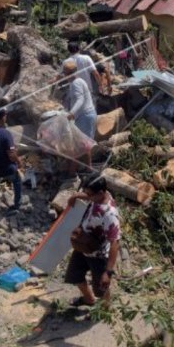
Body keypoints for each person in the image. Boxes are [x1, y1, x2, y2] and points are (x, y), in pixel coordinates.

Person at [65, 173, 121, 307]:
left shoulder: (110, 215)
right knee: (74, 276)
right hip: (82, 248)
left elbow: (115, 243)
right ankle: (89, 299)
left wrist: (108, 272)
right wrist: (77, 195)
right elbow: (90, 195)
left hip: (99, 256)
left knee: (101, 287)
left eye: (90, 195)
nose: (88, 197)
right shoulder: (98, 196)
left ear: (101, 193)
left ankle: (104, 308)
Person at [63, 60, 97, 173]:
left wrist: (72, 113)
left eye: (65, 73)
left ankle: (72, 171)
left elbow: (80, 99)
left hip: (85, 116)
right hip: (85, 115)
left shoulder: (76, 83)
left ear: (69, 73)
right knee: (84, 143)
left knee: (79, 144)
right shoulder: (79, 81)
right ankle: (88, 167)